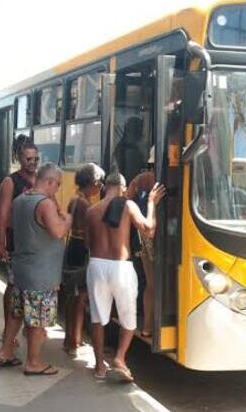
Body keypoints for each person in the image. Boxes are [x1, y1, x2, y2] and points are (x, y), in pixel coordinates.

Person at [85, 172, 164, 382]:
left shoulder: (91, 210)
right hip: (121, 267)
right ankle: (120, 358)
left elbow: (88, 243)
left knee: (98, 318)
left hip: (96, 265)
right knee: (128, 316)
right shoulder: (128, 206)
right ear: (123, 186)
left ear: (105, 187)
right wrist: (151, 203)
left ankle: (99, 365)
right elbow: (148, 230)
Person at [0, 163, 71, 375]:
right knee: (38, 319)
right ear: (49, 182)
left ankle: (5, 351)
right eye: (57, 185)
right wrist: (68, 220)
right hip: (41, 273)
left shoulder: (20, 200)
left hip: (22, 270)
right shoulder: (44, 203)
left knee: (16, 313)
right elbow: (57, 232)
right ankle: (33, 362)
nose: (57, 189)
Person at [0, 135, 38, 345]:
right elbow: (3, 214)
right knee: (13, 286)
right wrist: (0, 242)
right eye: (28, 159)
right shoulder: (10, 182)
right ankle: (8, 330)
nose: (32, 163)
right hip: (16, 240)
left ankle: (29, 328)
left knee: (33, 286)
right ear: (19, 158)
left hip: (36, 242)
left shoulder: (40, 180)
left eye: (35, 159)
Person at [62, 162, 105, 354]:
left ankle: (69, 338)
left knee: (72, 296)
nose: (101, 187)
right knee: (81, 298)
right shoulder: (86, 205)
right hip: (82, 250)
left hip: (72, 246)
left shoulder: (74, 199)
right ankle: (75, 341)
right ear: (94, 182)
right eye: (100, 183)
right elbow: (88, 236)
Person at [126, 147, 156, 338]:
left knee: (150, 283)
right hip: (151, 237)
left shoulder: (139, 180)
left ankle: (147, 326)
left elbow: (125, 203)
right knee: (153, 283)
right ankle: (147, 326)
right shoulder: (158, 180)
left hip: (141, 238)